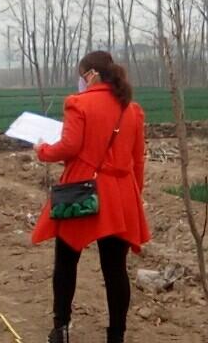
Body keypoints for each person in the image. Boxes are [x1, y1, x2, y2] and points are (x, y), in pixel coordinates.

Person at [32, 51, 150, 343]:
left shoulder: (78, 103)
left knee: (66, 261)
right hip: (120, 196)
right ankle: (116, 336)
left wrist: (43, 150)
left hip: (81, 192)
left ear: (92, 74)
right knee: (115, 270)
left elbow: (69, 146)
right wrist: (134, 195)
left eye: (82, 74)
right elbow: (138, 161)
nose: (81, 80)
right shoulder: (132, 110)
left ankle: (61, 329)